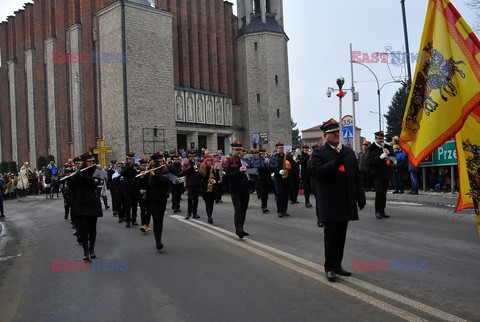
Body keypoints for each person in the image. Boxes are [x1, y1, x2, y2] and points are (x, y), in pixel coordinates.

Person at [309, 118, 366, 282]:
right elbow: (317, 173)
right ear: (325, 136)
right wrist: (335, 163)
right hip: (330, 201)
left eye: (337, 132)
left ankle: (338, 265)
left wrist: (360, 197)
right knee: (332, 235)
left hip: (345, 200)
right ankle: (329, 267)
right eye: (332, 133)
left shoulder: (348, 152)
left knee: (341, 234)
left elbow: (357, 176)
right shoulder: (319, 153)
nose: (335, 135)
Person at [70, 152, 103, 261]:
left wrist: (83, 177)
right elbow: (72, 186)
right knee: (84, 228)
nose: (91, 163)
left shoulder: (95, 171)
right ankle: (86, 251)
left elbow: (98, 182)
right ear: (85, 162)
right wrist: (72, 178)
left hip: (93, 201)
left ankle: (92, 249)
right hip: (81, 201)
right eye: (89, 161)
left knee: (93, 228)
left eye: (92, 161)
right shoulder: (78, 173)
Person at [143, 151, 170, 251]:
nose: (162, 163)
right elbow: (144, 186)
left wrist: (155, 176)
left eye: (162, 161)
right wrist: (142, 178)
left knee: (160, 220)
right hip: (151, 199)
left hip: (162, 198)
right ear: (155, 163)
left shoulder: (166, 171)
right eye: (160, 162)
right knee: (156, 219)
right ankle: (158, 241)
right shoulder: (148, 171)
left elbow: (165, 182)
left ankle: (159, 238)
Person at [366, 130, 395, 219]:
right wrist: (380, 157)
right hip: (376, 174)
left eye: (382, 139)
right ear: (375, 139)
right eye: (379, 139)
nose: (381, 141)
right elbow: (370, 162)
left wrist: (389, 155)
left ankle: (382, 211)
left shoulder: (386, 146)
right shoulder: (371, 149)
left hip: (385, 173)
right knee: (379, 192)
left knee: (384, 193)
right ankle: (378, 211)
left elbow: (394, 159)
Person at [225, 140, 250, 238]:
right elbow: (228, 175)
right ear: (233, 150)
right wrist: (238, 170)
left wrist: (247, 169)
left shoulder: (244, 160)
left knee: (243, 209)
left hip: (244, 188)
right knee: (238, 209)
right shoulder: (229, 161)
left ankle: (241, 228)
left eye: (240, 150)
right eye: (237, 150)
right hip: (235, 188)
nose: (239, 152)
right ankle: (238, 229)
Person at [271, 141, 292, 217]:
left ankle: (284, 210)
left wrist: (289, 165)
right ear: (277, 149)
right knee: (280, 194)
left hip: (287, 179)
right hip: (278, 179)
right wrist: (278, 171)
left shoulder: (288, 156)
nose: (281, 149)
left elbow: (292, 166)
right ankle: (279, 210)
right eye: (279, 148)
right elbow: (271, 168)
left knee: (286, 195)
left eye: (282, 148)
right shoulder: (274, 157)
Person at [199, 154, 220, 224]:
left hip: (213, 189)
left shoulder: (213, 168)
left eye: (210, 160)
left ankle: (210, 215)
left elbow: (218, 178)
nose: (210, 162)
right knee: (208, 203)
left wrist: (215, 176)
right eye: (208, 160)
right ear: (205, 161)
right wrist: (205, 184)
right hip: (205, 189)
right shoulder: (202, 169)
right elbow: (198, 180)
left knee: (211, 204)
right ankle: (209, 216)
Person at [121, 152, 138, 228]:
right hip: (127, 189)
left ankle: (134, 220)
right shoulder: (124, 166)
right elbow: (123, 173)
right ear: (127, 159)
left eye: (132, 159)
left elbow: (137, 174)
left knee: (134, 205)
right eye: (129, 159)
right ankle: (128, 221)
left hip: (134, 188)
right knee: (128, 205)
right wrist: (130, 166)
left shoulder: (135, 166)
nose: (131, 160)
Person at [182, 149, 201, 220]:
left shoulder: (197, 163)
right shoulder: (186, 164)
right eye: (191, 156)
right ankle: (189, 213)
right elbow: (184, 172)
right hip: (189, 184)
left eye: (194, 156)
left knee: (196, 199)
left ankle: (195, 213)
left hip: (196, 183)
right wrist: (191, 166)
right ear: (189, 157)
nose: (193, 158)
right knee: (190, 198)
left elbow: (200, 172)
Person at [299, 144, 313, 208]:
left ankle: (308, 201)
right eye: (305, 150)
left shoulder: (309, 156)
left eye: (307, 150)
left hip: (310, 174)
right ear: (303, 150)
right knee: (306, 188)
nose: (307, 151)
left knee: (310, 188)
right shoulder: (301, 156)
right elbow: (302, 162)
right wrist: (308, 156)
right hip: (305, 175)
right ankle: (307, 201)